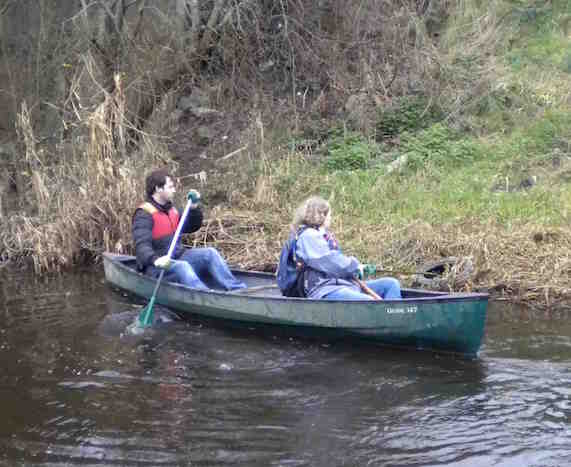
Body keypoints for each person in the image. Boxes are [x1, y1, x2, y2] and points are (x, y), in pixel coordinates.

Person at [132, 168, 246, 291]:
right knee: (182, 266)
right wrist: (156, 260)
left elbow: (192, 226)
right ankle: (206, 296)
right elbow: (141, 247)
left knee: (210, 253)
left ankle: (238, 290)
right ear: (158, 189)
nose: (174, 190)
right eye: (170, 187)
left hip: (178, 257)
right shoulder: (144, 214)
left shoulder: (172, 210)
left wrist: (193, 208)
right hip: (156, 267)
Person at [293, 196, 401, 300]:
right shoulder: (308, 236)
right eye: (329, 215)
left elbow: (339, 262)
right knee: (368, 301)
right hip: (326, 289)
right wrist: (355, 267)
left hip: (346, 284)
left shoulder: (322, 234)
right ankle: (384, 314)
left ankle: (394, 315)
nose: (331, 218)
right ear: (321, 215)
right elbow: (330, 262)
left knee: (391, 284)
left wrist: (359, 268)